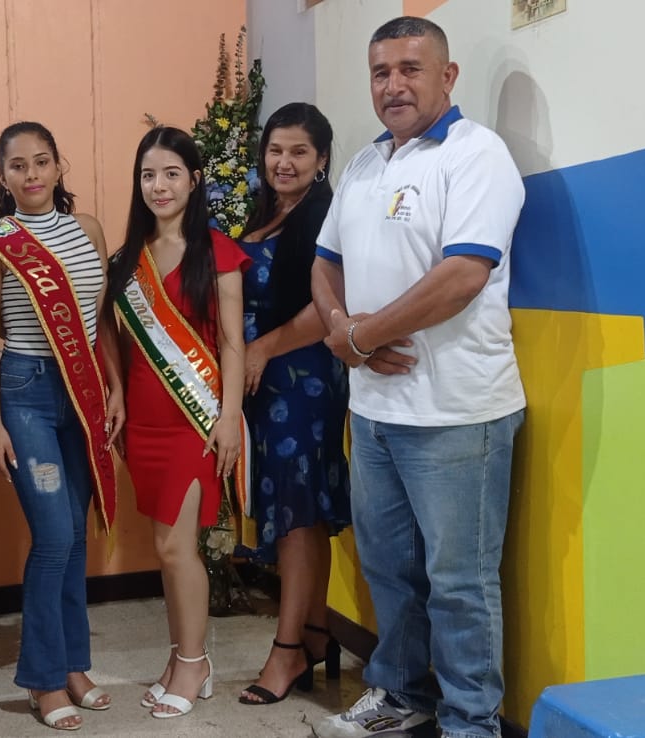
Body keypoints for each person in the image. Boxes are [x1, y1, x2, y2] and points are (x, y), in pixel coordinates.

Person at [310, 17, 526, 738]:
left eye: (410, 69)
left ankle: (471, 723)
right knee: (390, 572)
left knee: (460, 584)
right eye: (381, 72)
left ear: (447, 76)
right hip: (375, 411)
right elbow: (325, 264)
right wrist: (342, 331)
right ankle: (402, 695)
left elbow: (464, 274)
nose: (393, 85)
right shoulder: (365, 164)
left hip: (458, 414)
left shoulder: (477, 154)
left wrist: (361, 337)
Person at [0, 122, 124, 731]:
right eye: (17, 165)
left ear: (59, 166)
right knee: (55, 536)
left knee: (77, 537)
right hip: (25, 393)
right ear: (3, 175)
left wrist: (114, 386)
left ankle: (73, 665)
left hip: (82, 392)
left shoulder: (89, 230)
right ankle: (41, 677)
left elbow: (101, 319)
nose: (31, 174)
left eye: (41, 161)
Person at [103, 126, 249, 720]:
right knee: (165, 550)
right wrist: (116, 393)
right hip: (144, 424)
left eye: (170, 173)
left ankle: (194, 662)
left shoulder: (218, 252)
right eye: (147, 175)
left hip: (196, 420)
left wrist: (230, 416)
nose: (158, 186)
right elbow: (113, 339)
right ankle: (179, 656)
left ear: (194, 179)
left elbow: (233, 343)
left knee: (176, 547)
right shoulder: (127, 259)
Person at [232, 102, 349, 706]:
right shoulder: (267, 213)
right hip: (265, 381)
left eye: (299, 151)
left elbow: (329, 307)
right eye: (275, 150)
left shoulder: (327, 216)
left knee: (297, 513)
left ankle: (286, 652)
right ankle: (317, 632)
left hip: (302, 379)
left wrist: (262, 348)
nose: (284, 162)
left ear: (321, 159)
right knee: (300, 510)